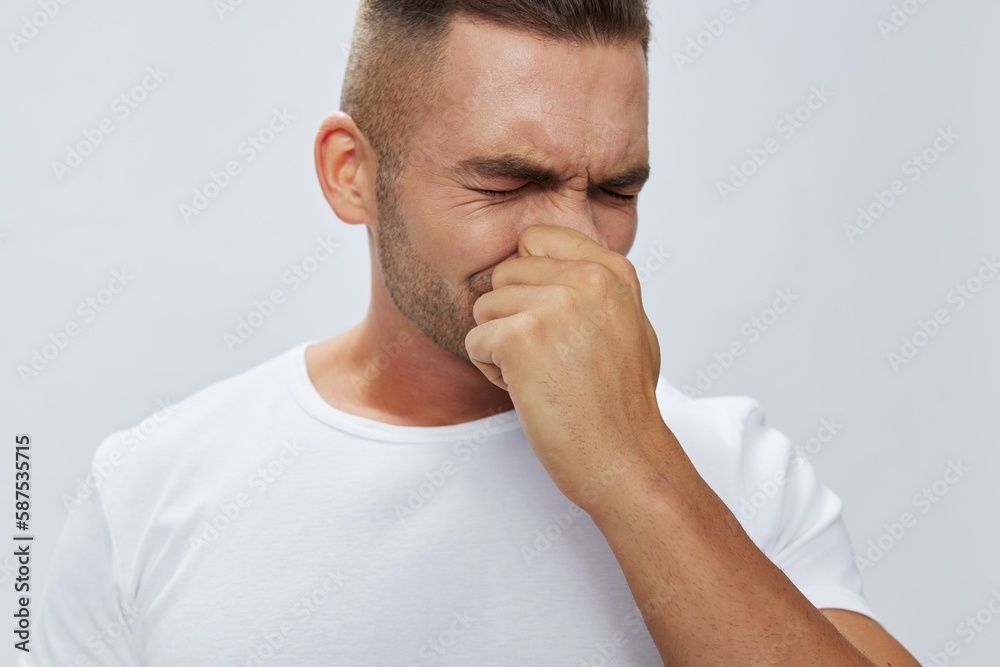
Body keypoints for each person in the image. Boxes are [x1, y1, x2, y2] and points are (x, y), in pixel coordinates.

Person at [25, 1, 920, 665]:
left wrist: (630, 461)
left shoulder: (736, 467)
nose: (573, 241)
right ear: (351, 174)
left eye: (616, 190)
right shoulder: (146, 487)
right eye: (506, 183)